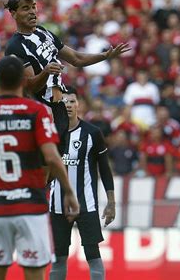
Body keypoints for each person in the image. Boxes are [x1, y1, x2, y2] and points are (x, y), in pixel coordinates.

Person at [0, 56, 79, 280]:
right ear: (24, 81)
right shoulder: (37, 112)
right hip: (31, 208)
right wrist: (69, 193)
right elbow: (53, 159)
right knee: (34, 274)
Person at [4, 0, 130, 156]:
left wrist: (106, 56)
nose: (32, 12)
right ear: (13, 13)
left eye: (33, 7)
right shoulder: (15, 46)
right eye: (25, 8)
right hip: (42, 110)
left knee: (54, 167)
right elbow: (30, 87)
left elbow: (76, 58)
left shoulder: (44, 32)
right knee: (47, 164)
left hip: (59, 109)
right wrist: (46, 72)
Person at [49, 86, 116, 280]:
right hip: (57, 205)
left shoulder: (92, 133)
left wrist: (111, 203)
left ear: (80, 104)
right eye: (64, 102)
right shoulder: (51, 133)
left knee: (93, 255)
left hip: (87, 204)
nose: (68, 105)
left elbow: (105, 169)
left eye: (72, 101)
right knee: (59, 258)